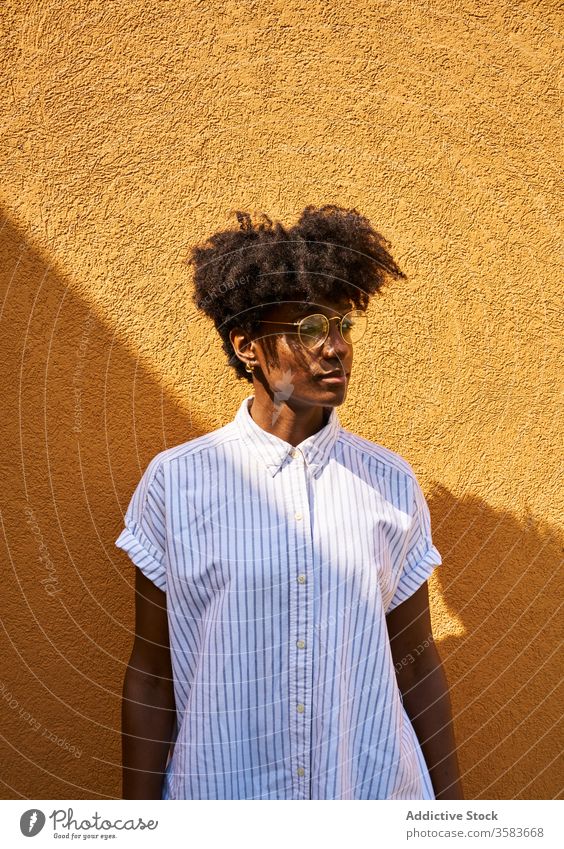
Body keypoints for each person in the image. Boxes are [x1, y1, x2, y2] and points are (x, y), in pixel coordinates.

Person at [116, 204, 463, 800]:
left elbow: (416, 660)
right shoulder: (176, 483)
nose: (335, 349)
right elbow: (151, 676)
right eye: (307, 330)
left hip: (370, 801)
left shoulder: (389, 483)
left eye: (343, 326)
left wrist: (454, 822)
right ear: (247, 344)